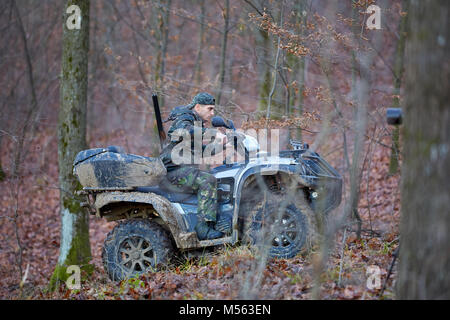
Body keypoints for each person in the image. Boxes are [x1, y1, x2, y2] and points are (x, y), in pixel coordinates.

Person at [160, 92, 228, 240]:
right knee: (207, 180)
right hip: (172, 171)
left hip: (180, 170)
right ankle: (203, 228)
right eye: (209, 109)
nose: (212, 113)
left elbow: (200, 151)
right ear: (197, 107)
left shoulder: (195, 122)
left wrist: (223, 146)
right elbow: (185, 131)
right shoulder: (184, 118)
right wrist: (213, 133)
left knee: (217, 177)